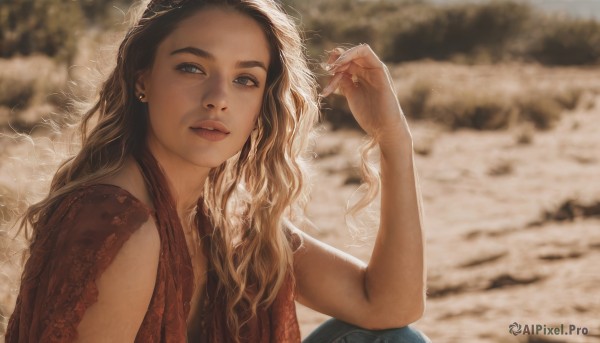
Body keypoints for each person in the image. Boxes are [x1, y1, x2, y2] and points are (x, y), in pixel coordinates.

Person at [6, 0, 430, 342]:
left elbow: (389, 305)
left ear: (263, 104)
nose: (218, 99)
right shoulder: (121, 225)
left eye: (246, 79)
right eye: (192, 67)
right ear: (142, 79)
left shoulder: (225, 222)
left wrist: (393, 138)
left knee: (395, 340)